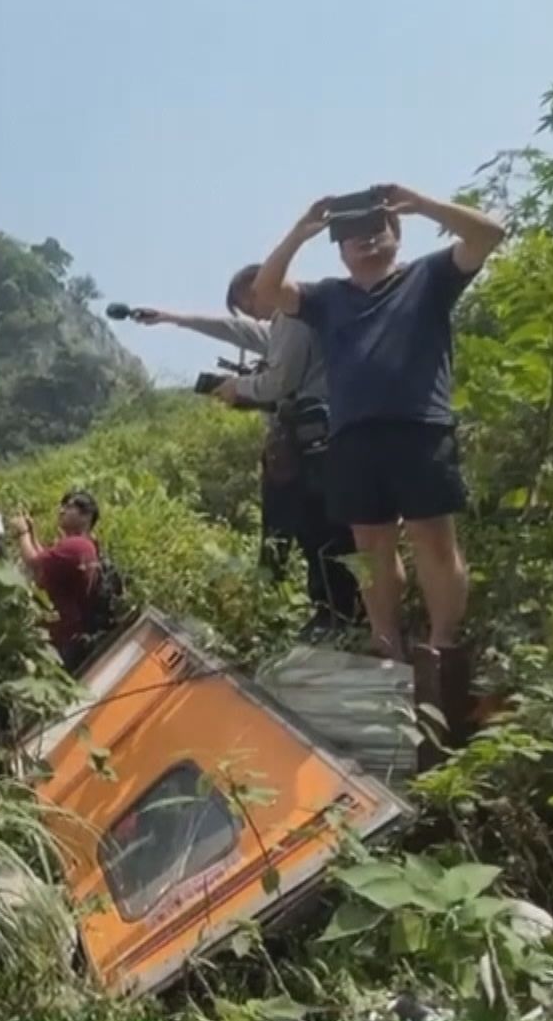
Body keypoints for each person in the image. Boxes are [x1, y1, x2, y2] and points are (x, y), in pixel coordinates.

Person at [252, 184, 506, 668]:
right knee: (370, 547)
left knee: (433, 538)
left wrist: (422, 203)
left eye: (376, 229)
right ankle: (386, 643)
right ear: (341, 250)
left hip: (420, 428)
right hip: (351, 437)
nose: (365, 239)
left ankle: (443, 646)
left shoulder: (429, 276)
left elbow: (490, 234)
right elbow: (265, 293)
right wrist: (302, 230)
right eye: (352, 235)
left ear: (396, 234)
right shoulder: (327, 297)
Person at [132, 265, 362, 634]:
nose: (252, 314)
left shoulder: (293, 315)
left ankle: (337, 614)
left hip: (316, 442)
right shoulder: (290, 317)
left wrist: (238, 388)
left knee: (318, 530)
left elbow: (278, 382)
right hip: (318, 437)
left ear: (262, 287)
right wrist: (172, 318)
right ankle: (335, 611)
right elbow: (236, 330)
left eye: (248, 303)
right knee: (316, 530)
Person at [12, 491, 107, 666]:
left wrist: (23, 533)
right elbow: (46, 559)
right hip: (67, 630)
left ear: (86, 516)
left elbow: (34, 562)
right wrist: (32, 535)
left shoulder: (75, 545)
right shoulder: (85, 545)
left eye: (69, 507)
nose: (62, 511)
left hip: (59, 635)